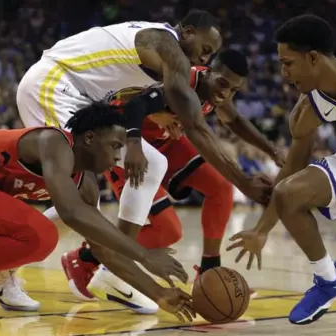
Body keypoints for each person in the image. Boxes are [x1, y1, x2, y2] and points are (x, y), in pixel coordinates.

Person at [14, 9, 273, 313]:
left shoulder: (172, 59)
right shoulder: (169, 49)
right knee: (83, 204)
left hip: (83, 100)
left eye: (211, 54)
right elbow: (194, 126)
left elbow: (207, 119)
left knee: (153, 164)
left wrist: (273, 153)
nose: (205, 58)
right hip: (55, 84)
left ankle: (113, 269)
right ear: (187, 31)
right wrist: (242, 180)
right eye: (205, 49)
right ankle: (3, 265)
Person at [0, 101, 194, 322]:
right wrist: (145, 255)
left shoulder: (85, 183)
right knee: (40, 234)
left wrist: (158, 293)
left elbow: (103, 250)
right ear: (89, 138)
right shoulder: (54, 141)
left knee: (37, 230)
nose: (119, 156)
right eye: (115, 145)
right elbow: (71, 212)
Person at [227, 15, 336, 336]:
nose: (283, 73)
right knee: (289, 194)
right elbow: (291, 168)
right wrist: (261, 230)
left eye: (288, 63)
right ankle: (329, 279)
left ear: (314, 58)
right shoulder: (309, 109)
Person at [62, 49, 283, 303]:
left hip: (167, 144)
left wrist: (271, 149)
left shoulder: (218, 92)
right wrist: (155, 113)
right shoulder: (179, 79)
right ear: (208, 71)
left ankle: (210, 271)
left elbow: (235, 121)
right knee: (167, 231)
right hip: (130, 144)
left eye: (233, 90)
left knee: (221, 186)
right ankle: (87, 257)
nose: (226, 93)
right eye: (223, 84)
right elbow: (130, 104)